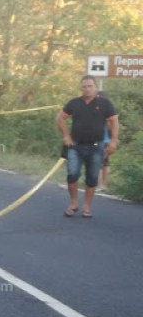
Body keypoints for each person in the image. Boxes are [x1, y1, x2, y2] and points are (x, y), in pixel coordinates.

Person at [57, 75, 119, 218]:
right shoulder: (74, 103)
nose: (87, 89)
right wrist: (66, 136)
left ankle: (86, 206)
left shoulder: (105, 103)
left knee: (91, 178)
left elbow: (114, 121)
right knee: (72, 175)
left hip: (96, 147)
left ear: (95, 87)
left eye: (90, 86)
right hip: (75, 146)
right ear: (81, 88)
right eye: (84, 86)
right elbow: (61, 118)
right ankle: (73, 204)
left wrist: (113, 141)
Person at [97, 90, 112, 191]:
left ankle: (100, 185)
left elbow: (111, 127)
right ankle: (103, 185)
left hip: (102, 140)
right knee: (104, 164)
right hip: (104, 140)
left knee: (99, 164)